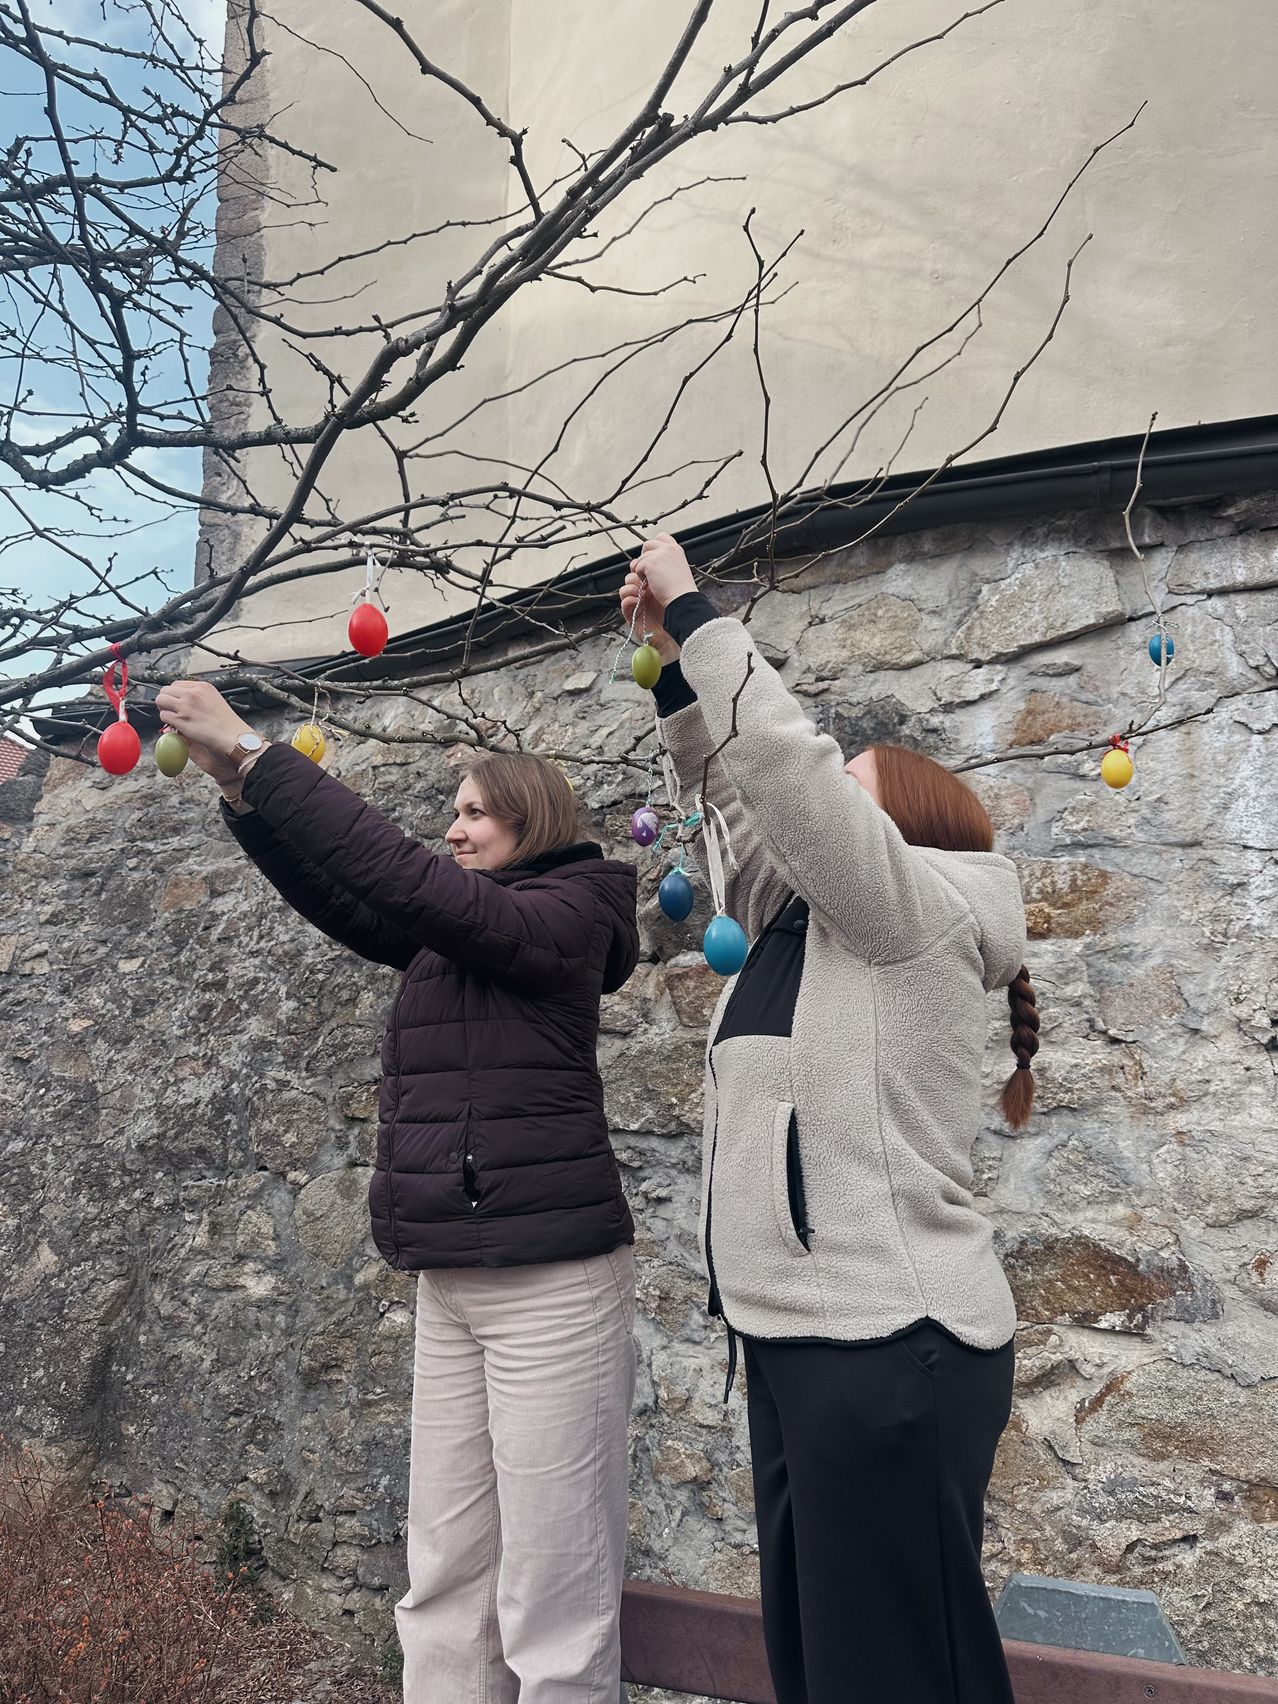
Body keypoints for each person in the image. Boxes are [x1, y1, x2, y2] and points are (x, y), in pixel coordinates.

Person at [153, 680, 641, 1704]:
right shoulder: (456, 934)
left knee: (555, 1588)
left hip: (552, 1285)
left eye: (471, 812)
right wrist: (243, 799)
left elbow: (409, 882)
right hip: (451, 1270)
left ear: (531, 818)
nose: (452, 829)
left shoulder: (570, 915)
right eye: (451, 813)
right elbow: (346, 895)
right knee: (445, 1575)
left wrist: (257, 752)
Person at [619, 536, 1040, 1704]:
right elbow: (737, 803)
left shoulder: (918, 917)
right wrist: (669, 670)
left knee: (899, 1680)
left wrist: (702, 613)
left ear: (901, 832)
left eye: (847, 800)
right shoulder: (801, 927)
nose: (811, 823)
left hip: (890, 1344)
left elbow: (788, 778)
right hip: (803, 1344)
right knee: (823, 1670)